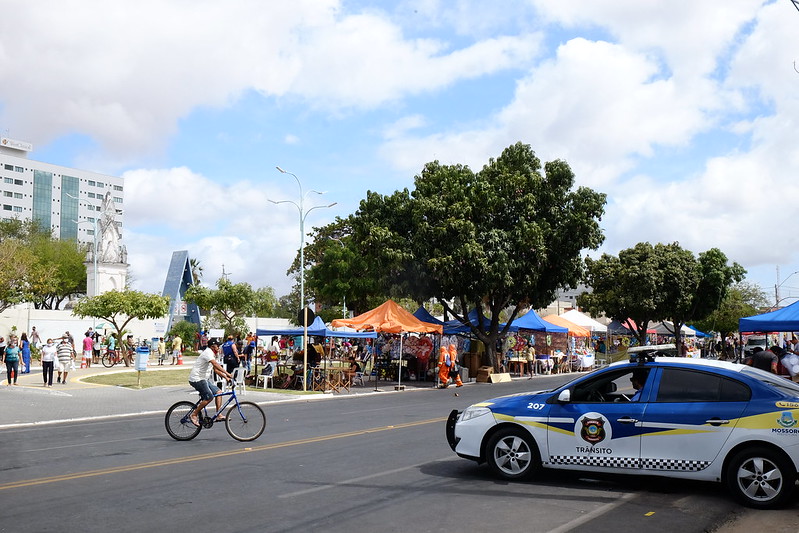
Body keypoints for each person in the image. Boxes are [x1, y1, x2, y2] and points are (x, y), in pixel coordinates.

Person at [188, 339, 233, 427]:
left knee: (218, 392)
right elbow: (215, 364)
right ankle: (193, 414)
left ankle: (218, 414)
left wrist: (226, 378)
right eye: (217, 346)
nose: (219, 347)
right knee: (209, 397)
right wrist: (227, 373)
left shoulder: (212, 354)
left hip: (203, 379)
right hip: (197, 379)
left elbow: (216, 370)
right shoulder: (208, 352)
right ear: (212, 346)